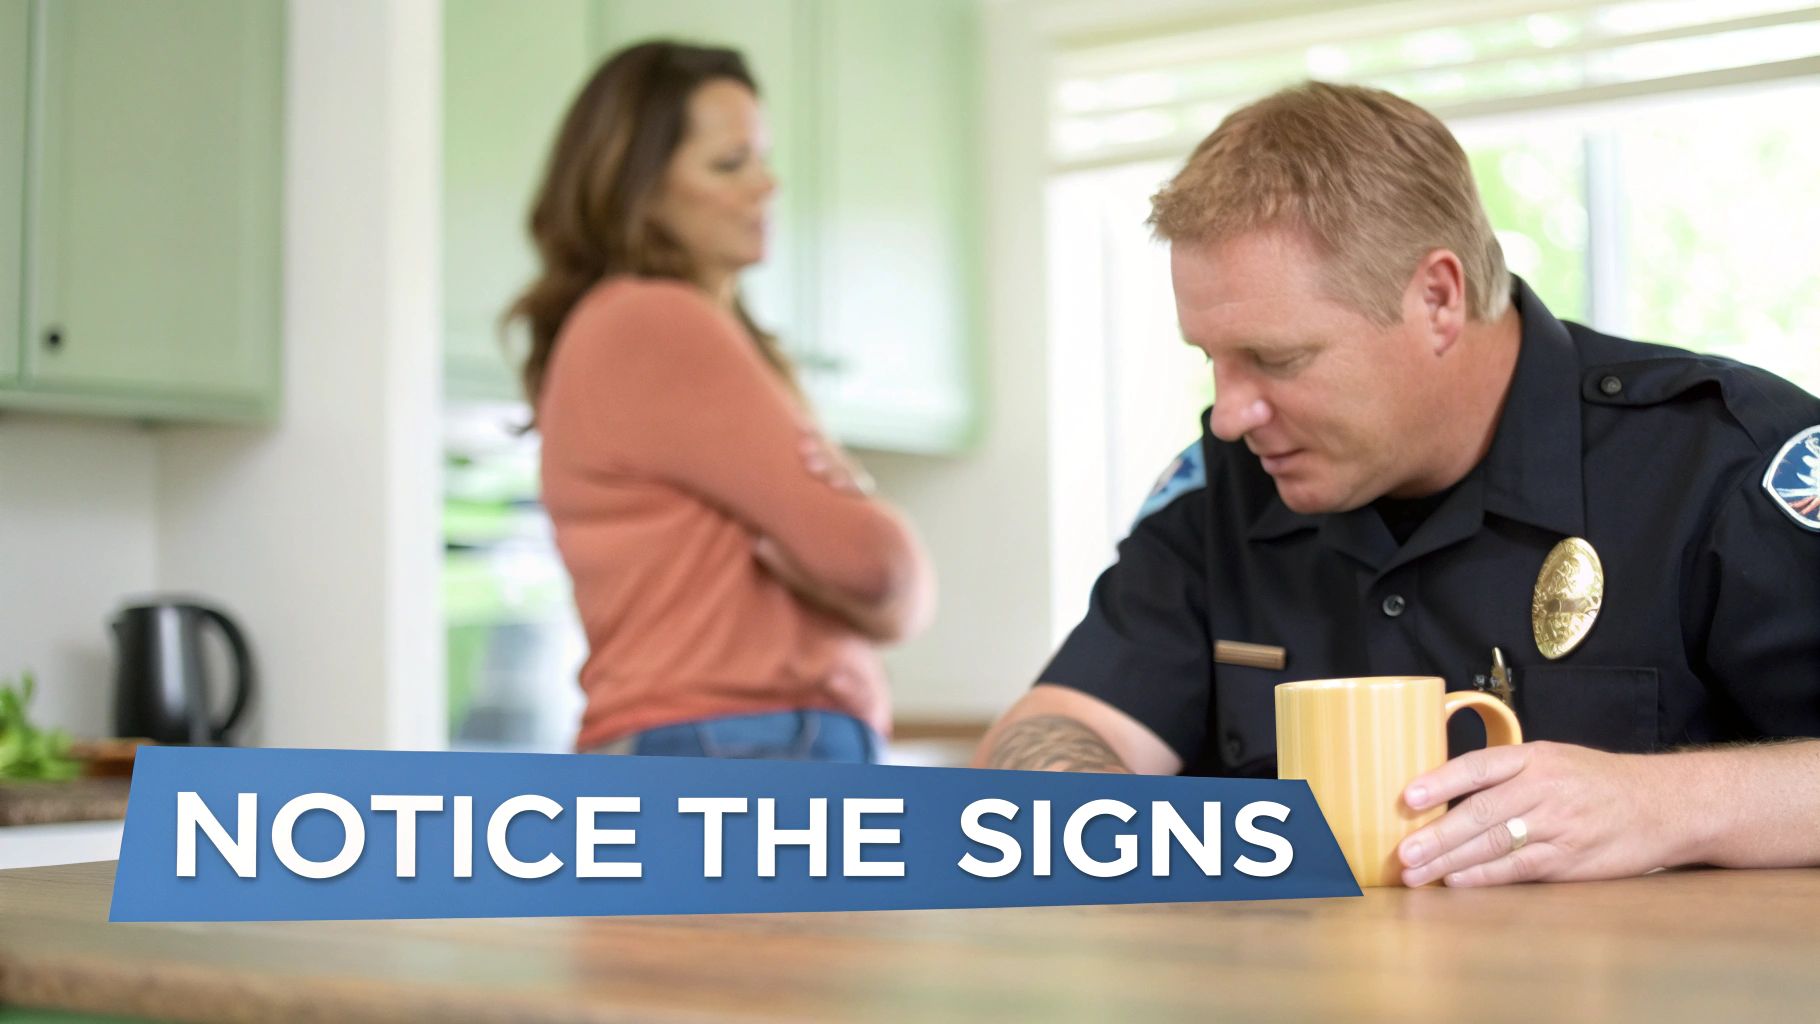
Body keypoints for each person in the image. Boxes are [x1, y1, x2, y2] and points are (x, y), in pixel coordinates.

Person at [974, 81, 1820, 886]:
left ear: (1437, 299)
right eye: (1212, 362)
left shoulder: (1720, 460)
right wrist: (1084, 809)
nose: (1228, 414)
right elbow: (1061, 724)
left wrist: (1666, 803)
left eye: (1276, 359)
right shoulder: (1226, 488)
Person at [511, 42, 935, 763]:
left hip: (713, 743)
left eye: (763, 159)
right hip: (738, 744)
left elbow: (895, 596)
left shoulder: (651, 329)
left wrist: (866, 573)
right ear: (637, 187)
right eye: (729, 164)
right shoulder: (656, 321)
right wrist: (857, 531)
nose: (766, 186)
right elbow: (880, 566)